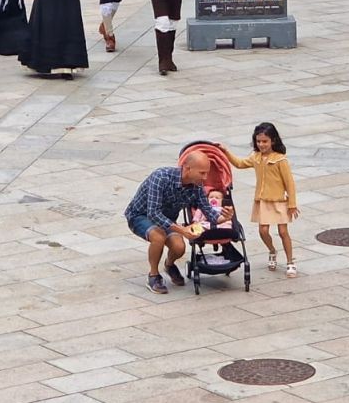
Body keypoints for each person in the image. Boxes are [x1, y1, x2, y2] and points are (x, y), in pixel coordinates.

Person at [123, 151, 232, 294]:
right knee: (158, 236)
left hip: (167, 220)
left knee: (179, 248)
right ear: (187, 169)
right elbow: (153, 213)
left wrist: (225, 217)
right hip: (140, 215)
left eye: (206, 173)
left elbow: (209, 213)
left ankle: (169, 265)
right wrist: (183, 230)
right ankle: (153, 275)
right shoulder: (161, 177)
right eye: (202, 173)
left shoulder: (197, 187)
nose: (205, 178)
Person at [223, 123, 299, 278]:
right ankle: (272, 250)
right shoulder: (255, 157)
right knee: (263, 231)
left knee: (283, 232)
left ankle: (290, 261)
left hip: (278, 201)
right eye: (259, 141)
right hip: (263, 201)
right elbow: (239, 163)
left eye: (265, 141)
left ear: (273, 141)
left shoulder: (280, 160)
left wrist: (292, 204)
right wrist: (225, 152)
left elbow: (289, 183)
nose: (261, 144)